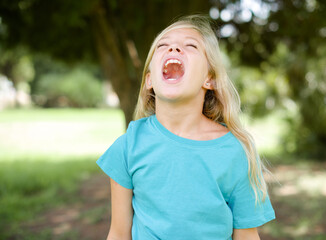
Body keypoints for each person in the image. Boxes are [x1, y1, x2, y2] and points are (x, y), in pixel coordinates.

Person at [97, 14, 275, 240]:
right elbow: (119, 234)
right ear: (150, 79)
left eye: (190, 45)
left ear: (209, 79)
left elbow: (247, 236)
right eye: (163, 45)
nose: (173, 49)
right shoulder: (129, 145)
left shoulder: (236, 151)